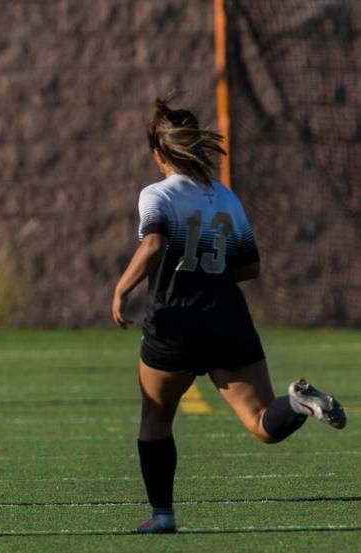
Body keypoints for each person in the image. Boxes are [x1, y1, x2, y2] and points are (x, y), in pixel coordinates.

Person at [111, 95, 346, 534]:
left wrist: (122, 289)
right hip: (227, 320)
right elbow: (250, 268)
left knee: (156, 420)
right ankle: (297, 404)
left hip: (174, 323)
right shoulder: (225, 197)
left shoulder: (157, 194)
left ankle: (163, 516)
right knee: (261, 424)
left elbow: (154, 244)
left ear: (158, 153)